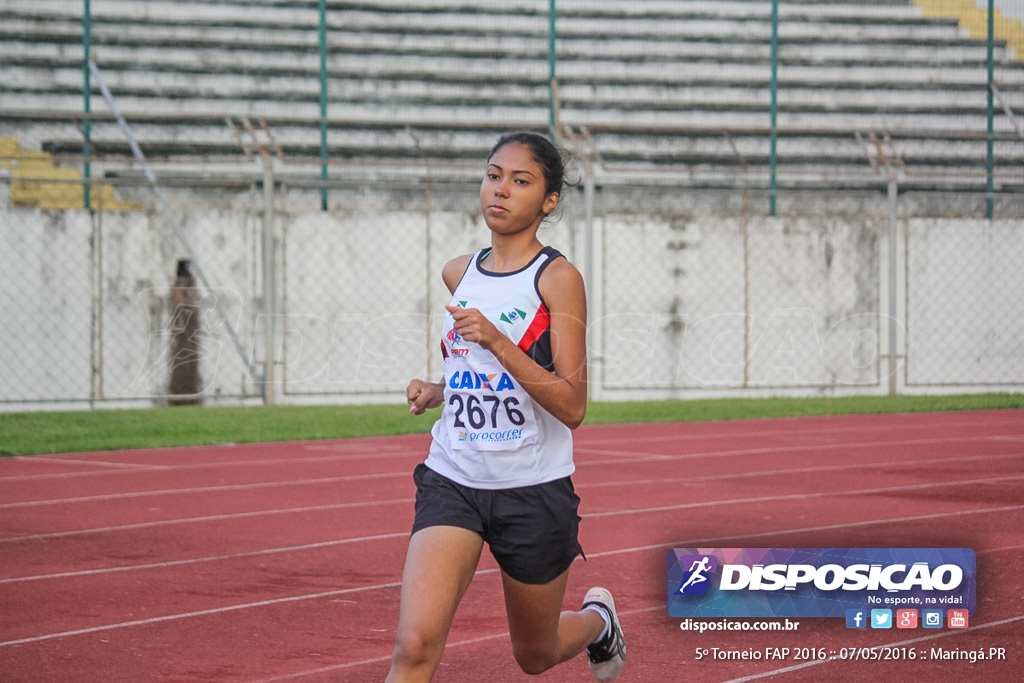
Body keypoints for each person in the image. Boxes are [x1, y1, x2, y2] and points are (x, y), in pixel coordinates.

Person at [386, 132, 626, 682]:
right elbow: (475, 370)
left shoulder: (557, 280)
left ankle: (597, 622)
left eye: (521, 181)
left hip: (532, 490)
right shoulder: (458, 273)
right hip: (455, 478)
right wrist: (442, 389)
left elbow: (572, 404)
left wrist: (498, 341)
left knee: (534, 655)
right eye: (494, 175)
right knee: (414, 645)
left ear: (548, 201)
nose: (501, 190)